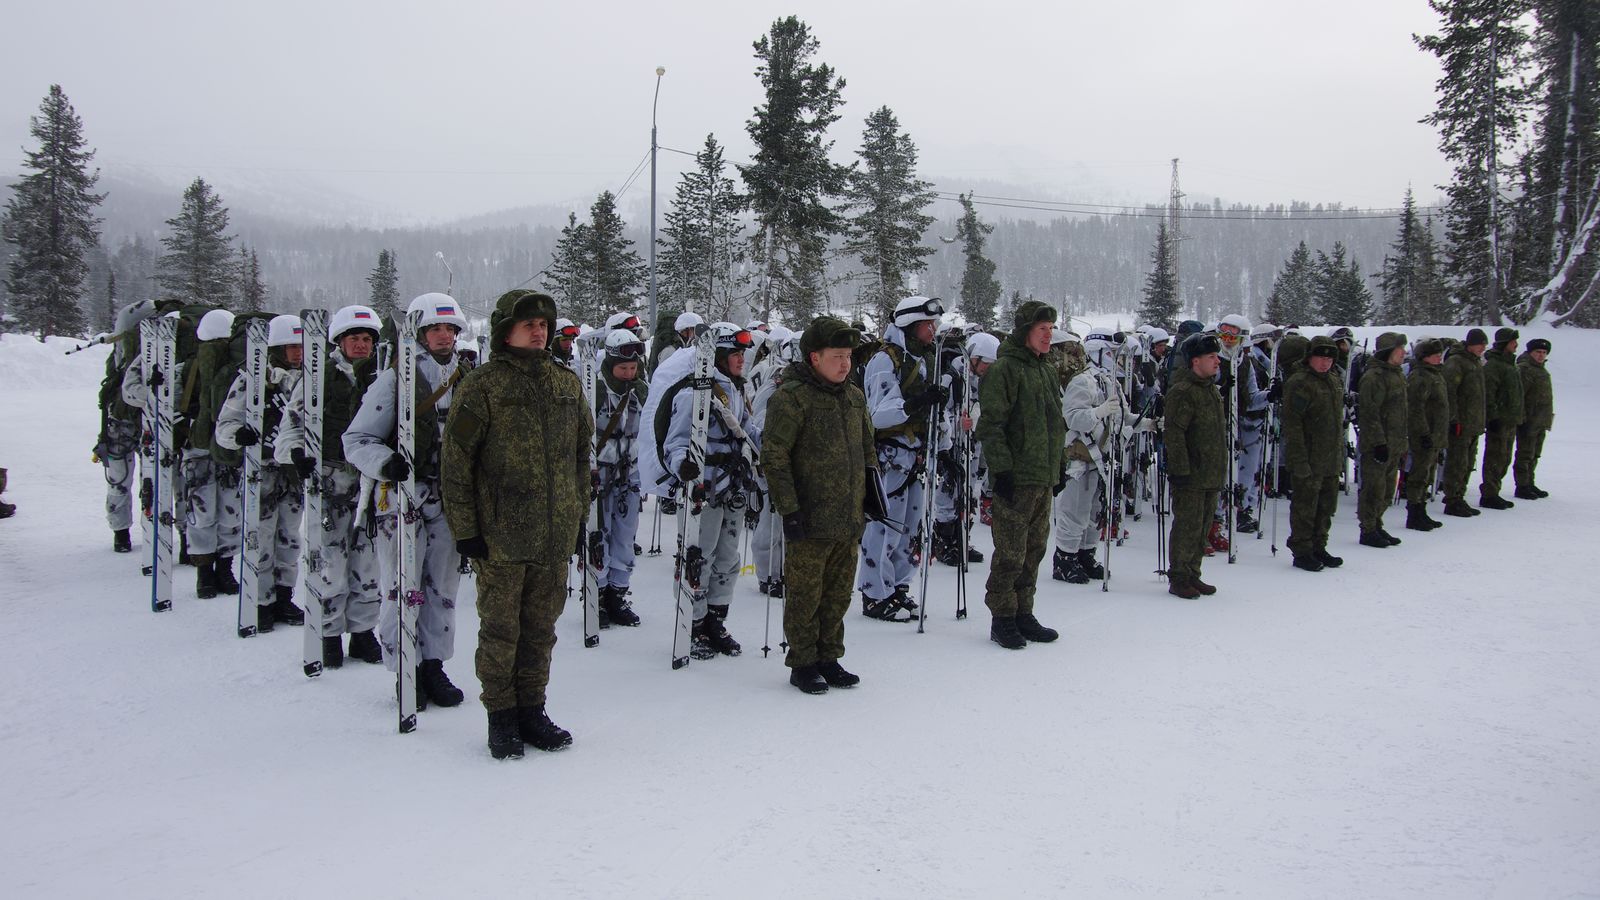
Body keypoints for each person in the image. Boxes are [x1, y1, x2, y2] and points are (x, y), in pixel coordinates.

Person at [441, 289, 591, 759]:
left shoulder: (566, 384)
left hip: (553, 534)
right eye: (529, 323)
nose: (539, 330)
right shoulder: (482, 386)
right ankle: (501, 716)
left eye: (544, 324)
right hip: (501, 535)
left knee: (542, 628)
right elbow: (456, 462)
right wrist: (466, 528)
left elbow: (581, 456)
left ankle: (533, 709)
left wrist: (578, 514)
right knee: (502, 630)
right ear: (505, 330)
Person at [344, 293, 470, 709]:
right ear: (420, 332)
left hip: (449, 498)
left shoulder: (469, 377)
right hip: (402, 497)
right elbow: (358, 439)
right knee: (402, 587)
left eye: (449, 329)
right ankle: (405, 668)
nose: (443, 336)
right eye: (435, 328)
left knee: (443, 588)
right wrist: (387, 463)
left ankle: (432, 664)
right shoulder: (395, 378)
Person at [762, 316, 876, 693]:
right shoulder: (792, 398)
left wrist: (871, 492)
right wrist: (789, 510)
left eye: (849, 356)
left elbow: (867, 447)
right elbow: (775, 456)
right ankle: (803, 661)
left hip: (848, 514)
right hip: (809, 517)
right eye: (837, 356)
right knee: (805, 593)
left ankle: (830, 656)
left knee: (839, 591)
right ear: (814, 357)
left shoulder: (854, 396)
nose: (845, 364)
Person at [276, 304, 384, 668]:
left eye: (367, 338)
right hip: (330, 477)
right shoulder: (318, 375)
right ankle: (328, 632)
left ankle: (363, 631)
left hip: (369, 481)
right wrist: (295, 453)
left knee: (368, 562)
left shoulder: (383, 375)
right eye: (354, 337)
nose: (361, 344)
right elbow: (293, 421)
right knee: (330, 561)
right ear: (340, 340)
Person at [663, 321, 757, 658]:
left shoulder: (736, 389)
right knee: (697, 558)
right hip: (703, 489)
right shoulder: (695, 394)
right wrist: (681, 466)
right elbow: (674, 443)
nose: (742, 359)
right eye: (736, 353)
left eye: (744, 353)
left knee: (729, 560)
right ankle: (695, 623)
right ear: (718, 355)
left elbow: (748, 431)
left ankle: (716, 621)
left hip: (733, 486)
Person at [974, 300, 1065, 648]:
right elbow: (991, 425)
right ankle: (1003, 617)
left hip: (1042, 476)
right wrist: (1003, 470)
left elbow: (1056, 423)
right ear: (1026, 330)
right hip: (1017, 476)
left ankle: (1024, 612)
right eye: (1042, 329)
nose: (1048, 336)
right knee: (1010, 552)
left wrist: (1058, 468)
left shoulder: (1045, 370)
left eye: (1051, 330)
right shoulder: (1005, 370)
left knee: (1034, 550)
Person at [214, 314, 307, 630]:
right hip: (262, 471)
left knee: (290, 538)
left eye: (301, 346)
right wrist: (239, 435)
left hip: (293, 473)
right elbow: (225, 425)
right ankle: (261, 600)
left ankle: (283, 596)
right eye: (291, 346)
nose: (297, 352)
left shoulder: (311, 378)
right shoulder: (253, 378)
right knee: (260, 536)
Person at [857, 296, 947, 621]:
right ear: (911, 325)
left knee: (911, 527)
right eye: (928, 324)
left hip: (915, 455)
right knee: (885, 526)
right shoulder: (885, 360)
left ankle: (898, 586)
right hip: (889, 455)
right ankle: (874, 593)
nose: (933, 330)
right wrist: (916, 401)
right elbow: (877, 415)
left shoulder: (920, 360)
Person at [1051, 335, 1131, 584]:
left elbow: (1121, 416)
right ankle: (1065, 558)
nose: (1113, 360)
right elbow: (1072, 417)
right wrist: (1099, 411)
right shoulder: (1080, 383)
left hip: (1102, 457)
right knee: (1075, 510)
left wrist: (1145, 424)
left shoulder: (1106, 381)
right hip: (1080, 455)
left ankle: (1086, 554)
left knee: (1095, 511)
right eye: (1109, 354)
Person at [183, 309, 243, 599]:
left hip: (200, 445)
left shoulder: (190, 367)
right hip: (214, 447)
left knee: (203, 510)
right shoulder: (229, 368)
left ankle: (208, 571)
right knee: (228, 510)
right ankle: (217, 569)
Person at [1162, 332, 1227, 598]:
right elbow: (1174, 433)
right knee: (1187, 526)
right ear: (1195, 361)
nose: (1217, 362)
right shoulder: (1183, 391)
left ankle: (1193, 573)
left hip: (1210, 472)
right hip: (1191, 474)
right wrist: (1180, 470)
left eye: (1217, 357)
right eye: (1211, 357)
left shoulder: (1210, 389)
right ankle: (1178, 577)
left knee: (1202, 527)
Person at [591, 328, 648, 627]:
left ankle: (617, 593)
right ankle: (596, 594)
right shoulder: (596, 390)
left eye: (633, 368)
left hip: (629, 474)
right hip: (599, 476)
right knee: (599, 535)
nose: (628, 373)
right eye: (622, 368)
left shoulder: (640, 390)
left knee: (625, 537)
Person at [98, 299, 159, 553]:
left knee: (122, 478)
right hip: (137, 417)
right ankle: (133, 531)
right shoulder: (147, 344)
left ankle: (122, 532)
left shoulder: (125, 348)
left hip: (124, 419)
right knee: (148, 478)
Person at [1281, 335, 1346, 572]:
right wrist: (1299, 459)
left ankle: (1319, 544)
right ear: (1310, 357)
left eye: (1329, 358)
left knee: (1326, 506)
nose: (1325, 362)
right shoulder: (1300, 382)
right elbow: (1293, 424)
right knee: (1305, 506)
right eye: (1320, 357)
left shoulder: (1333, 380)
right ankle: (1302, 549)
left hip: (1329, 455)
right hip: (1308, 455)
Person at [932, 331, 996, 568]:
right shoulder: (952, 379)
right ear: (974, 358)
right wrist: (958, 423)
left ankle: (961, 539)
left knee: (966, 492)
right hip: (953, 446)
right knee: (948, 493)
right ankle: (945, 542)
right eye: (986, 364)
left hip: (972, 445)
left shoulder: (982, 381)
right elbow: (940, 414)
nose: (987, 370)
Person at [1355, 331, 1408, 548]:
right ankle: (1367, 528)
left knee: (1387, 488)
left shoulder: (1396, 374)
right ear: (1388, 351)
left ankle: (1377, 523)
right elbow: (1369, 413)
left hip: (1394, 442)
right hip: (1378, 444)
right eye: (1399, 349)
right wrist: (1378, 442)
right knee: (1373, 488)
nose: (1404, 353)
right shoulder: (1374, 377)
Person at [1441, 328, 1488, 517]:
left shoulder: (1475, 363)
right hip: (1460, 422)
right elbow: (1450, 393)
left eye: (1484, 345)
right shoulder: (1456, 362)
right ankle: (1452, 499)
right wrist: (1454, 419)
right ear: (1470, 344)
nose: (1483, 348)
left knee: (1468, 462)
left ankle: (1459, 496)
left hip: (1473, 422)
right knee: (1457, 462)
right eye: (1480, 344)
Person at [1404, 338, 1449, 531]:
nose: (1439, 357)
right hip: (1424, 434)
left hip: (1435, 433)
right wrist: (1422, 433)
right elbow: (1415, 408)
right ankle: (1414, 512)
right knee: (1419, 473)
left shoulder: (1435, 374)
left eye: (1439, 354)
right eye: (1434, 354)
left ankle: (1421, 509)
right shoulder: (1420, 376)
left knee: (1427, 473)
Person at [1478, 327, 1523, 510]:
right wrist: (1493, 417)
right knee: (1495, 457)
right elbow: (1489, 393)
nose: (1516, 345)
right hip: (1500, 420)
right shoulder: (1495, 365)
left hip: (1510, 419)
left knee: (1504, 457)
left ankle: (1494, 490)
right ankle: (1489, 493)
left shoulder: (1510, 365)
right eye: (1513, 342)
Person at [1514, 338, 1553, 499]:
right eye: (1538, 352)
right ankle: (1522, 485)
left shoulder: (1541, 370)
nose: (1541, 355)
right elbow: (1520, 396)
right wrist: (1521, 417)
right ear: (1530, 352)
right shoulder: (1525, 369)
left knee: (1535, 453)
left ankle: (1530, 482)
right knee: (1525, 453)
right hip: (1528, 420)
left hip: (1540, 420)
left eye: (1544, 353)